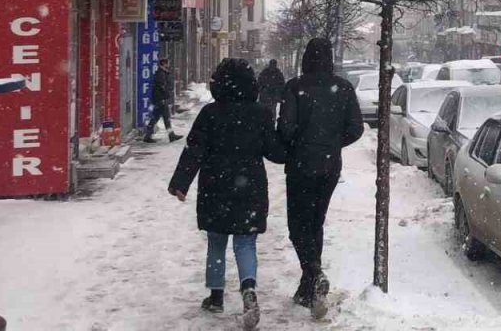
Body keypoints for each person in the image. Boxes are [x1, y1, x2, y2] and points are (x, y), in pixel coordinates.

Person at [169, 58, 285, 329]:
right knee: (246, 243)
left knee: (217, 242)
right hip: (251, 188)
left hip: (215, 188)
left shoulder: (210, 114)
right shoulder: (261, 114)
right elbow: (275, 152)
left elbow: (194, 150)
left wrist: (180, 183)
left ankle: (216, 296)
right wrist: (294, 147)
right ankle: (248, 290)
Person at [277, 37, 364, 318]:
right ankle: (308, 287)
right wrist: (332, 144)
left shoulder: (295, 87)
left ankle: (314, 273)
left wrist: (295, 144)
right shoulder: (344, 88)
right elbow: (356, 128)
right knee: (315, 222)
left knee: (297, 225)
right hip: (329, 166)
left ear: (305, 58)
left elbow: (286, 129)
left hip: (301, 164)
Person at [144, 57, 181, 142]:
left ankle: (148, 136)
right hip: (161, 99)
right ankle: (171, 136)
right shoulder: (161, 73)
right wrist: (165, 96)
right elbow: (162, 86)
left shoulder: (163, 73)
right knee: (164, 118)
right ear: (164, 64)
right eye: (168, 62)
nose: (169, 64)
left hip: (160, 99)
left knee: (157, 117)